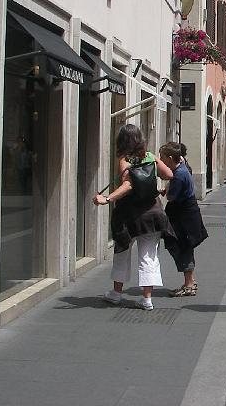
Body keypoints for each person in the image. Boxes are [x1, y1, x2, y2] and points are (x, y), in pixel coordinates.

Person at [94, 124, 175, 311]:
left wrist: (107, 198)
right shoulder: (150, 156)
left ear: (121, 140)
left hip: (129, 215)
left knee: (122, 252)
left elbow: (128, 185)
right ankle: (147, 299)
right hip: (153, 213)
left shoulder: (124, 159)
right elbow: (169, 174)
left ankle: (116, 294)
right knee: (149, 256)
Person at [160, 142, 207, 298]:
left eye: (163, 157)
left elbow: (172, 196)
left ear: (170, 158)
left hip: (183, 217)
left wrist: (167, 188)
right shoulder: (183, 167)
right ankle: (190, 281)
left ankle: (188, 284)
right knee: (184, 247)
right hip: (187, 215)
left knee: (181, 247)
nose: (161, 160)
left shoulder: (179, 175)